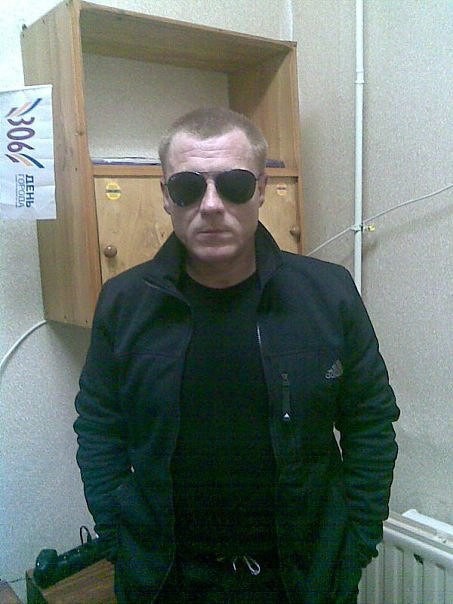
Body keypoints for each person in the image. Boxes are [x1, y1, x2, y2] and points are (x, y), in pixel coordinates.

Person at [74, 106, 399, 603]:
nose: (210, 205)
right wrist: (119, 539)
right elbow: (99, 427)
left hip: (303, 580)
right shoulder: (123, 303)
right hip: (168, 582)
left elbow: (370, 421)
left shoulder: (329, 293)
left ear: (262, 189)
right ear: (166, 195)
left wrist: (355, 542)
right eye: (188, 187)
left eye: (234, 185)